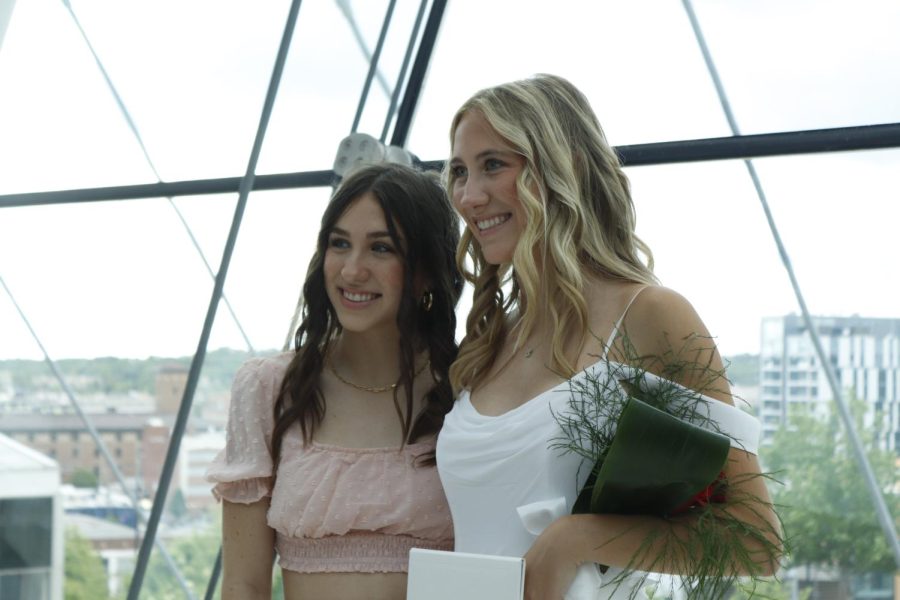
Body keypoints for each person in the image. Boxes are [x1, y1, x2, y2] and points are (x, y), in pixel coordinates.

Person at [436, 74, 782, 599]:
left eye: (493, 165)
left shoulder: (651, 315)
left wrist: (574, 539)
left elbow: (755, 539)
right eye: (459, 171)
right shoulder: (490, 339)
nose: (468, 195)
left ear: (562, 168)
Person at [206, 162, 463, 600]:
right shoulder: (269, 388)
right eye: (339, 244)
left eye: (381, 248)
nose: (351, 270)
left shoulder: (468, 388)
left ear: (425, 270)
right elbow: (242, 585)